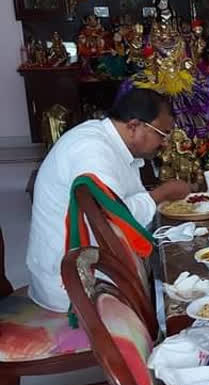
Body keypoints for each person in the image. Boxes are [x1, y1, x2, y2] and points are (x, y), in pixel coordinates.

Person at [26, 88, 191, 312]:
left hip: (96, 266)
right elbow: (111, 217)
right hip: (73, 287)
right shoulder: (92, 150)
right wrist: (163, 194)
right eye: (161, 134)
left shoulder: (110, 140)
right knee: (178, 291)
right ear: (134, 126)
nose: (165, 143)